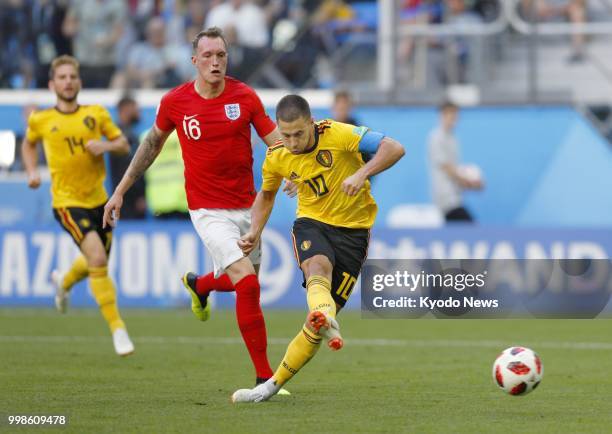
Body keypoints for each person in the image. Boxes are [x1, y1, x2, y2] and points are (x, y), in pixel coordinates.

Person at [102, 27, 289, 388]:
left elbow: (274, 140)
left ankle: (200, 285)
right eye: (208, 56)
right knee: (248, 285)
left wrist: (294, 168)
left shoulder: (245, 96)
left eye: (221, 55)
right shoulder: (176, 102)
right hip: (207, 210)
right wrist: (121, 190)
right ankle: (266, 378)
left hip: (248, 208)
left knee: (242, 283)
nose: (215, 62)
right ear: (194, 61)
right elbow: (151, 145)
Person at [231, 94, 405, 403]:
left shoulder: (339, 134)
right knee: (316, 267)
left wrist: (361, 172)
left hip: (354, 234)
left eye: (299, 133)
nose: (293, 142)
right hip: (313, 222)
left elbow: (394, 148)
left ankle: (271, 385)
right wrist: (255, 231)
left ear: (311, 123)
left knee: (314, 328)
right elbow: (267, 195)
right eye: (286, 135)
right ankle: (325, 317)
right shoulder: (277, 156)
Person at [21, 55, 134, 356]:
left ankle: (64, 281)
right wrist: (32, 171)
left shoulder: (96, 114)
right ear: (52, 84)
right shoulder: (41, 120)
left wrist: (106, 146)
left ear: (79, 82)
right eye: (62, 77)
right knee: (97, 257)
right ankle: (118, 329)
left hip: (100, 201)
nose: (68, 81)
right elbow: (28, 143)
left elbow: (123, 143)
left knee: (96, 262)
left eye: (72, 76)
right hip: (67, 202)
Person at [428, 101, 483, 223]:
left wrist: (469, 182)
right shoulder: (437, 137)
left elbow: (454, 168)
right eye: (451, 115)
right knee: (468, 228)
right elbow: (445, 167)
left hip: (456, 196)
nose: (454, 119)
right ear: (442, 115)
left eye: (456, 115)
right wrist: (468, 181)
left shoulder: (452, 138)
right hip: (445, 197)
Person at [109, 95, 146, 220]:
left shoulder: (121, 134)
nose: (139, 112)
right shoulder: (123, 137)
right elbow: (129, 168)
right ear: (126, 109)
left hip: (125, 199)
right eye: (136, 108)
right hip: (129, 202)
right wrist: (139, 196)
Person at [144, 130, 189, 220]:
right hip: (182, 199)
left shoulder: (146, 136)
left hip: (159, 200)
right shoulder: (186, 133)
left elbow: (139, 168)